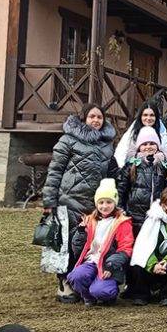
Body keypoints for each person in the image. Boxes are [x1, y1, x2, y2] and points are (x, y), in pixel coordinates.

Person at [41, 103, 116, 303]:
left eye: (99, 117)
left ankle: (80, 280)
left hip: (94, 205)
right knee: (64, 244)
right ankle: (63, 282)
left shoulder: (107, 145)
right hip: (68, 200)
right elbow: (55, 170)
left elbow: (111, 174)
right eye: (92, 116)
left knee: (85, 244)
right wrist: (49, 200)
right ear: (83, 119)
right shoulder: (68, 140)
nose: (96, 120)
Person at [65, 179, 134, 306]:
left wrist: (111, 265)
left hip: (108, 264)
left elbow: (126, 248)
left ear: (115, 202)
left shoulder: (122, 222)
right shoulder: (90, 220)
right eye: (101, 202)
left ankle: (107, 296)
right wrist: (80, 232)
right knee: (75, 276)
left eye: (109, 202)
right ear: (96, 203)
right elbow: (77, 248)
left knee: (101, 290)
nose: (105, 206)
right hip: (91, 260)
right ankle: (88, 298)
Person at [128, 186, 167, 307]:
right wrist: (153, 264)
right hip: (153, 263)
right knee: (138, 262)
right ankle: (141, 294)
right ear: (164, 206)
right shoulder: (152, 220)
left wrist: (166, 261)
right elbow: (143, 246)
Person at [117, 126, 167, 232]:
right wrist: (120, 209)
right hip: (134, 217)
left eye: (152, 143)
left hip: (156, 217)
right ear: (139, 147)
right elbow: (121, 189)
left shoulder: (163, 166)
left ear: (157, 146)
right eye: (144, 144)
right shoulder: (132, 165)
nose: (148, 147)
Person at [113, 101, 167, 168]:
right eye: (145, 115)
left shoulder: (162, 134)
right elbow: (121, 154)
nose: (148, 118)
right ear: (140, 117)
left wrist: (160, 158)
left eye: (152, 115)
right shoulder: (132, 133)